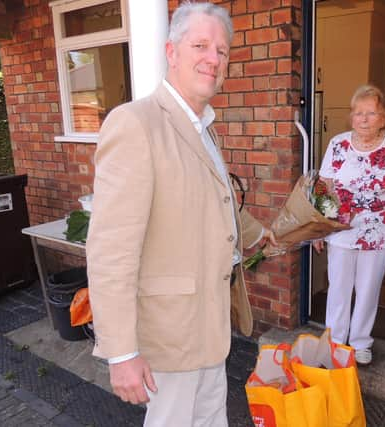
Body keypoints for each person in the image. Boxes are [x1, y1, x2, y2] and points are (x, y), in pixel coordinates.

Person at [86, 2, 274, 426]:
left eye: (222, 51)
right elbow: (111, 249)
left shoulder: (204, 126)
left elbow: (215, 199)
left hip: (209, 326)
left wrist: (260, 233)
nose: (213, 58)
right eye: (201, 45)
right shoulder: (135, 124)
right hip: (169, 334)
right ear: (172, 52)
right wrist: (122, 352)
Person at [313, 84, 385, 365]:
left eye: (370, 113)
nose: (363, 119)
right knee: (338, 287)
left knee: (369, 288)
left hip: (379, 228)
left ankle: (360, 342)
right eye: (358, 113)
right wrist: (321, 227)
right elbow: (324, 186)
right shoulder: (338, 144)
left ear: (383, 116)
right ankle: (335, 341)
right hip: (341, 228)